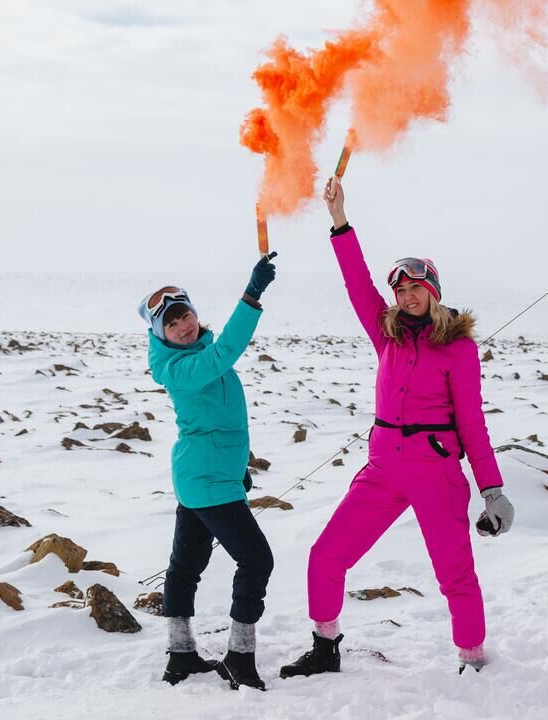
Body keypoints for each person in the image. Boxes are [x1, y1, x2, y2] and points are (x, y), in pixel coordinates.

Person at [280, 177, 515, 678]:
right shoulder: (384, 335)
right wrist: (339, 221)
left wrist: (491, 490)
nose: (406, 297)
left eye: (416, 288)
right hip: (383, 468)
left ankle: (473, 659)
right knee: (325, 555)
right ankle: (325, 648)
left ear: (432, 291)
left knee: (455, 573)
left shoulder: (458, 347)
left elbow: (472, 422)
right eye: (400, 290)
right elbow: (355, 283)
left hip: (436, 470)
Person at [139, 251, 278, 691]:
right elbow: (227, 352)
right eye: (172, 324)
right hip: (205, 481)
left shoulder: (196, 354)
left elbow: (223, 420)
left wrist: (238, 471)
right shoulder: (181, 368)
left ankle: (180, 657)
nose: (184, 326)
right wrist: (251, 294)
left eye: (186, 316)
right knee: (257, 560)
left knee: (186, 566)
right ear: (160, 334)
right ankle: (239, 655)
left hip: (204, 477)